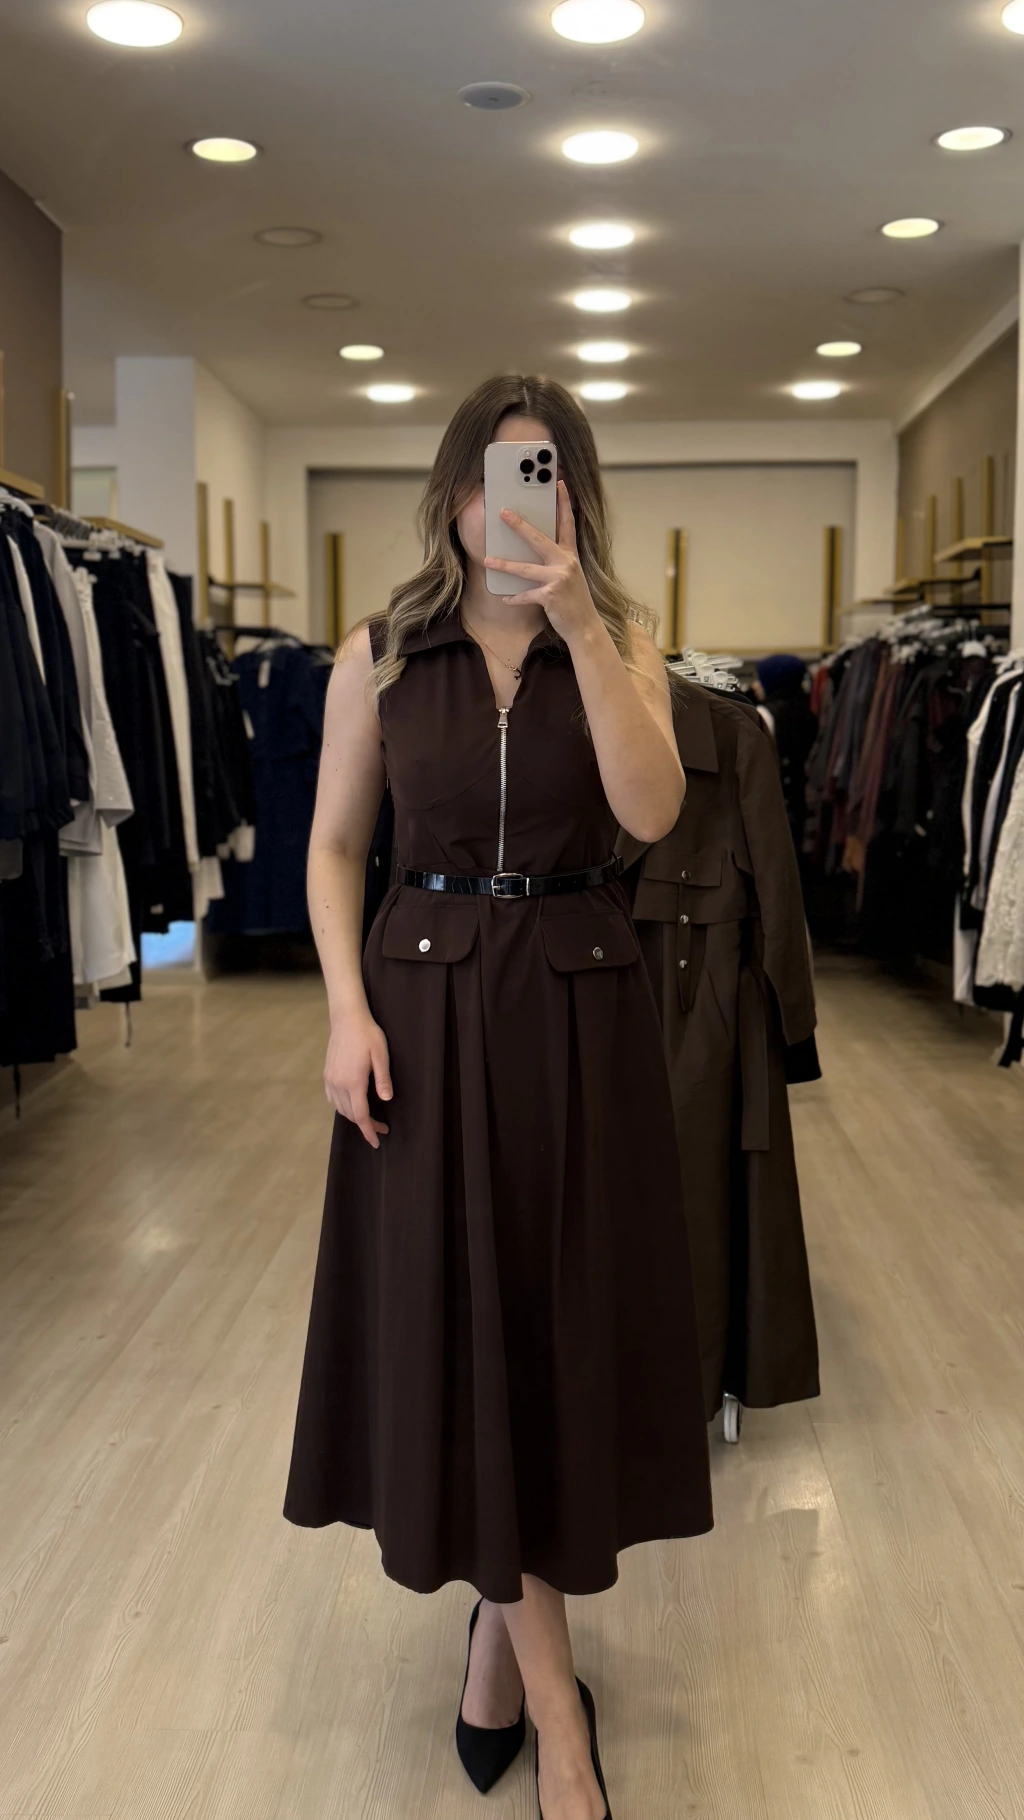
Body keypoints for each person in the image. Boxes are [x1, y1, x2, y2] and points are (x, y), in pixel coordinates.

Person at [283, 374, 713, 1820]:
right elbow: (334, 846)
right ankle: (560, 1719)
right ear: (450, 491)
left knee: (549, 1331)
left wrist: (584, 627)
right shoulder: (380, 653)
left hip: (580, 1015)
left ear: (572, 497)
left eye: (538, 475)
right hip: (422, 1013)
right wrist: (344, 1012)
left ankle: (499, 1636)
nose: (504, 503)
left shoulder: (624, 642)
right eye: (485, 474)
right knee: (461, 1328)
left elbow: (651, 813)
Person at [751, 653, 817, 853]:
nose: (755, 685)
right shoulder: (810, 712)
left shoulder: (764, 715)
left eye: (760, 680)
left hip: (775, 805)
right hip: (804, 801)